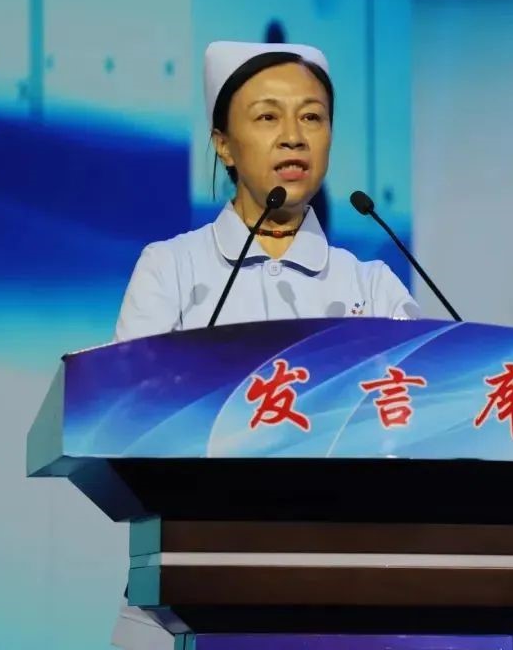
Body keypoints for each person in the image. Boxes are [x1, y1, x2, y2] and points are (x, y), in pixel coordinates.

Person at [109, 40, 420, 648]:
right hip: (183, 604)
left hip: (344, 600)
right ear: (223, 144)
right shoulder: (171, 268)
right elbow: (126, 421)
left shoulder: (374, 285)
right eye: (268, 116)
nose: (294, 137)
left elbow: (421, 428)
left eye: (312, 117)